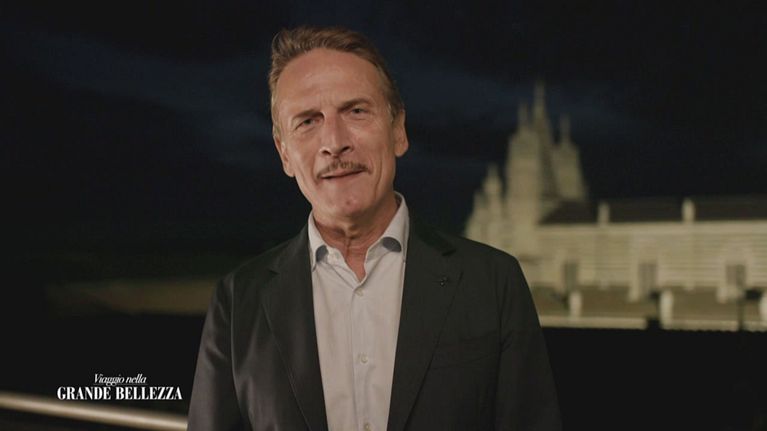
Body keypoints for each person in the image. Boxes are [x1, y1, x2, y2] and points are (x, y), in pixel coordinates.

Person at [188, 26, 561, 431]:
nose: (334, 142)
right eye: (308, 121)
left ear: (398, 130)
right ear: (284, 154)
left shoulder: (493, 283)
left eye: (356, 111)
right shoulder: (237, 302)